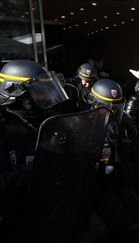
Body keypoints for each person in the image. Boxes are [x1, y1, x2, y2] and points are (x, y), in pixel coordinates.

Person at [0, 59, 69, 242]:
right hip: (14, 219)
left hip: (46, 207)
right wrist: (32, 171)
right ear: (17, 93)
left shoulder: (43, 118)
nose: (46, 96)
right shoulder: (3, 127)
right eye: (39, 90)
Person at [87, 79, 139, 243]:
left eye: (117, 108)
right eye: (110, 108)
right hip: (99, 183)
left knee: (133, 217)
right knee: (122, 223)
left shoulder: (123, 121)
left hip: (119, 176)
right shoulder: (86, 125)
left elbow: (133, 146)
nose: (115, 112)